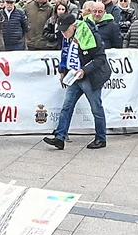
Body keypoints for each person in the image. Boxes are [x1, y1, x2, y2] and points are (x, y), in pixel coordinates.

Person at [42, 10, 109, 151]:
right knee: (67, 106)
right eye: (61, 30)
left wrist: (85, 70)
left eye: (65, 30)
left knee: (96, 108)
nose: (63, 33)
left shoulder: (90, 35)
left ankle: (101, 138)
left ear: (74, 26)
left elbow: (100, 59)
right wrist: (63, 70)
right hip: (75, 76)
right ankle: (60, 137)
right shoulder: (68, 35)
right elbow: (65, 53)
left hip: (91, 77)